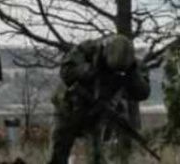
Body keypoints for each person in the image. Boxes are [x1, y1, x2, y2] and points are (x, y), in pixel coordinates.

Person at [48, 34, 151, 164]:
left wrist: (132, 75)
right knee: (57, 155)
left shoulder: (133, 66)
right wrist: (90, 72)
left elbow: (142, 93)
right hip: (68, 108)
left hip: (96, 115)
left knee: (96, 158)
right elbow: (66, 71)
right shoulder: (89, 49)